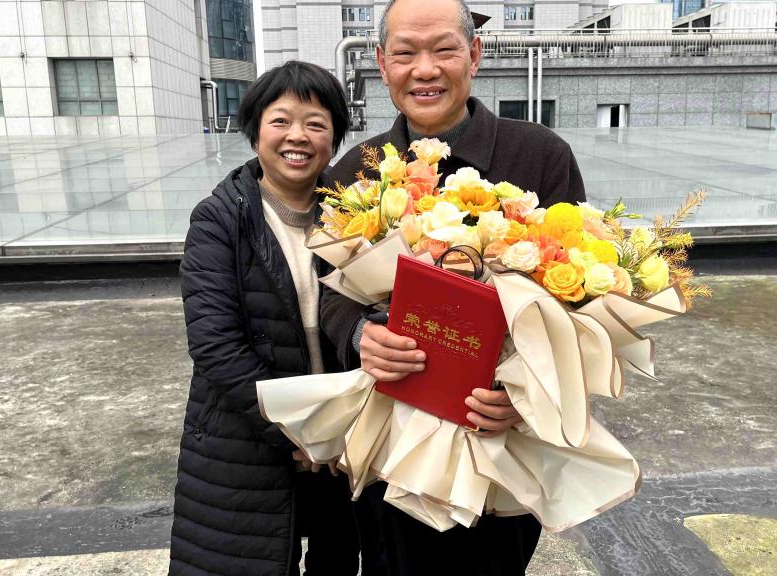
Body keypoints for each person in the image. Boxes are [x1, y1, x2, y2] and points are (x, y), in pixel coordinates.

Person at [321, 0, 587, 574]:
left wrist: (527, 393)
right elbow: (330, 293)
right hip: (391, 438)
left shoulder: (539, 156)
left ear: (475, 55)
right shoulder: (356, 172)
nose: (425, 69)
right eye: (405, 53)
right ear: (381, 63)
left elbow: (581, 302)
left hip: (500, 443)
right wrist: (360, 335)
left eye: (444, 49)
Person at [169, 61, 359, 576]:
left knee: (338, 559)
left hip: (341, 440)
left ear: (333, 140)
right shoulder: (219, 218)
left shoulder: (354, 216)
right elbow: (215, 345)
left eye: (316, 123)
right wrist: (298, 431)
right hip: (249, 439)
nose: (298, 136)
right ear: (255, 132)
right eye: (281, 121)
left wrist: (332, 430)